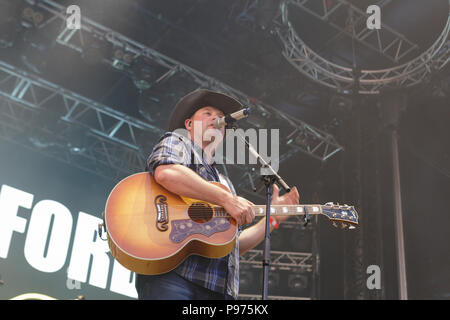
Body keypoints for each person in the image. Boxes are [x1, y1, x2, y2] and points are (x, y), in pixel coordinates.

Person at [135, 89, 299, 300]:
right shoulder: (178, 142)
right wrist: (226, 199)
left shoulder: (225, 183)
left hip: (218, 288)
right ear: (189, 124)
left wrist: (272, 219)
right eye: (207, 113)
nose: (216, 118)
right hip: (174, 275)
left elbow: (233, 245)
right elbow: (167, 172)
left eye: (219, 115)